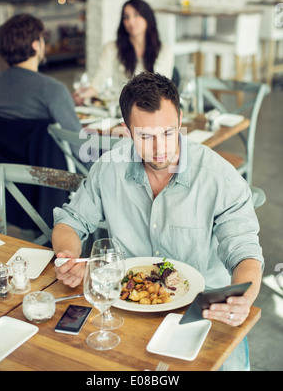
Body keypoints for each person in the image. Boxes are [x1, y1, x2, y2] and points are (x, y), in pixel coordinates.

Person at [52, 71, 264, 371]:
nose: (160, 148)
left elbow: (245, 251)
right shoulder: (109, 168)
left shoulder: (218, 177)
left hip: (204, 309)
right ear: (127, 131)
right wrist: (68, 256)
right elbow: (71, 222)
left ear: (179, 120)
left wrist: (242, 294)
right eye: (145, 137)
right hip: (129, 305)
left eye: (167, 132)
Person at [0, 14, 81, 135]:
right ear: (36, 45)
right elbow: (80, 148)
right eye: (42, 39)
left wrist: (65, 102)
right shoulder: (53, 89)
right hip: (42, 154)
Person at [72, 0, 174, 105]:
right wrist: (82, 96)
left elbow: (163, 91)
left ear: (148, 18)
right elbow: (99, 81)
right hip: (120, 110)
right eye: (126, 17)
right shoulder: (111, 48)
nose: (130, 21)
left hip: (151, 108)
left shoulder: (164, 51)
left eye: (136, 15)